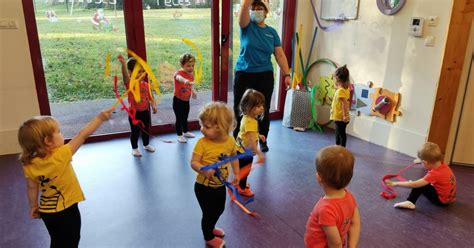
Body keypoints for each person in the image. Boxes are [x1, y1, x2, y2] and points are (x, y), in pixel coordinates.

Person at [18, 107, 114, 247]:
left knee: (56, 240)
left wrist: (33, 205)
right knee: (72, 239)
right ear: (48, 141)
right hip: (66, 209)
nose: (61, 134)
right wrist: (99, 118)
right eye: (58, 132)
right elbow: (82, 135)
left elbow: (32, 187)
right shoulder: (61, 155)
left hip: (46, 211)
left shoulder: (28, 163)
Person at [234, 0, 291, 153]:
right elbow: (244, 10)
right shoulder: (246, 26)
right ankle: (237, 140)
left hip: (264, 75)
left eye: (260, 8)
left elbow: (279, 54)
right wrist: (247, 4)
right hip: (244, 73)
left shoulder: (271, 32)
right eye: (254, 8)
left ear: (266, 12)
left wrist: (287, 74)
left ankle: (262, 139)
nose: (256, 10)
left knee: (262, 109)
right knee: (240, 108)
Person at [191, 102, 240, 248]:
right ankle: (208, 236)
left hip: (219, 185)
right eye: (202, 125)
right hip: (203, 186)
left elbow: (233, 156)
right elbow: (193, 162)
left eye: (206, 126)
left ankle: (211, 227)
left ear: (220, 128)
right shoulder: (202, 143)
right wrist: (204, 170)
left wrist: (236, 173)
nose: (202, 129)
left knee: (219, 209)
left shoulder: (230, 141)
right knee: (208, 212)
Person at [304, 145, 361, 248]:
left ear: (319, 177)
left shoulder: (325, 209)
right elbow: (354, 223)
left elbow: (335, 243)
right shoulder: (350, 197)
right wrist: (352, 246)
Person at [385, 142, 457, 210]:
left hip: (441, 201)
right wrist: (422, 160)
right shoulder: (443, 166)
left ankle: (410, 202)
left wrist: (395, 183)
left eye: (422, 162)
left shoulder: (434, 174)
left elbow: (414, 184)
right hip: (450, 199)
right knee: (424, 183)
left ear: (425, 162)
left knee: (419, 185)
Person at [118, 54, 157, 157]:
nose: (141, 74)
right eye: (137, 72)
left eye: (142, 71)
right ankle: (134, 148)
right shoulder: (130, 84)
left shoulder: (146, 85)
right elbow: (125, 77)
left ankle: (146, 144)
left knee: (146, 129)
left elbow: (151, 97)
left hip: (145, 111)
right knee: (135, 132)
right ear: (130, 73)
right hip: (134, 113)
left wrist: (153, 105)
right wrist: (123, 64)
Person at [235, 89, 265, 197]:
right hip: (246, 152)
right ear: (248, 107)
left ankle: (239, 183)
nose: (262, 108)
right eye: (258, 106)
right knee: (245, 170)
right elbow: (252, 140)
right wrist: (259, 153)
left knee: (241, 169)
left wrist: (259, 135)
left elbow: (249, 133)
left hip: (239, 148)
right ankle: (242, 188)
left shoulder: (246, 117)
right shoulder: (251, 121)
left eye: (262, 105)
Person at [173, 53, 197, 143]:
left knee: (185, 117)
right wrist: (185, 80)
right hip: (178, 100)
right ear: (181, 65)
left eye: (192, 66)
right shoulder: (178, 73)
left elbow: (190, 85)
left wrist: (193, 91)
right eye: (188, 66)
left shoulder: (191, 74)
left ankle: (185, 131)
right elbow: (179, 78)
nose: (191, 68)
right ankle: (179, 135)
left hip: (186, 100)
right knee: (179, 118)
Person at [330, 65, 351, 147]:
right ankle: (338, 145)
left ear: (337, 78)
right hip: (339, 116)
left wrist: (345, 115)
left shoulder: (340, 91)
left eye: (334, 77)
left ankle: (341, 147)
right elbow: (341, 101)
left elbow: (344, 103)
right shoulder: (345, 89)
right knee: (339, 131)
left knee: (341, 132)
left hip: (340, 117)